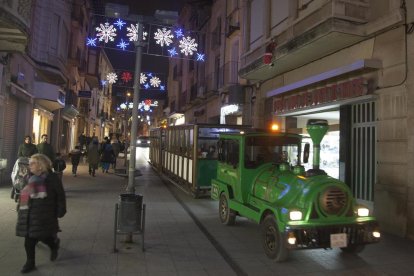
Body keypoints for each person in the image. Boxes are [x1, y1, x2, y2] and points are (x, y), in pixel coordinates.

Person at [16, 153, 66, 273]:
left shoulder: (52, 178)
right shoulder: (29, 177)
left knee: (44, 236)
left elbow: (60, 195)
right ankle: (30, 262)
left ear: (40, 165)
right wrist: (20, 206)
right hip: (29, 213)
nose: (30, 166)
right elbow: (24, 194)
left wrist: (61, 210)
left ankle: (54, 244)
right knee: (29, 240)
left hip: (45, 214)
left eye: (32, 163)